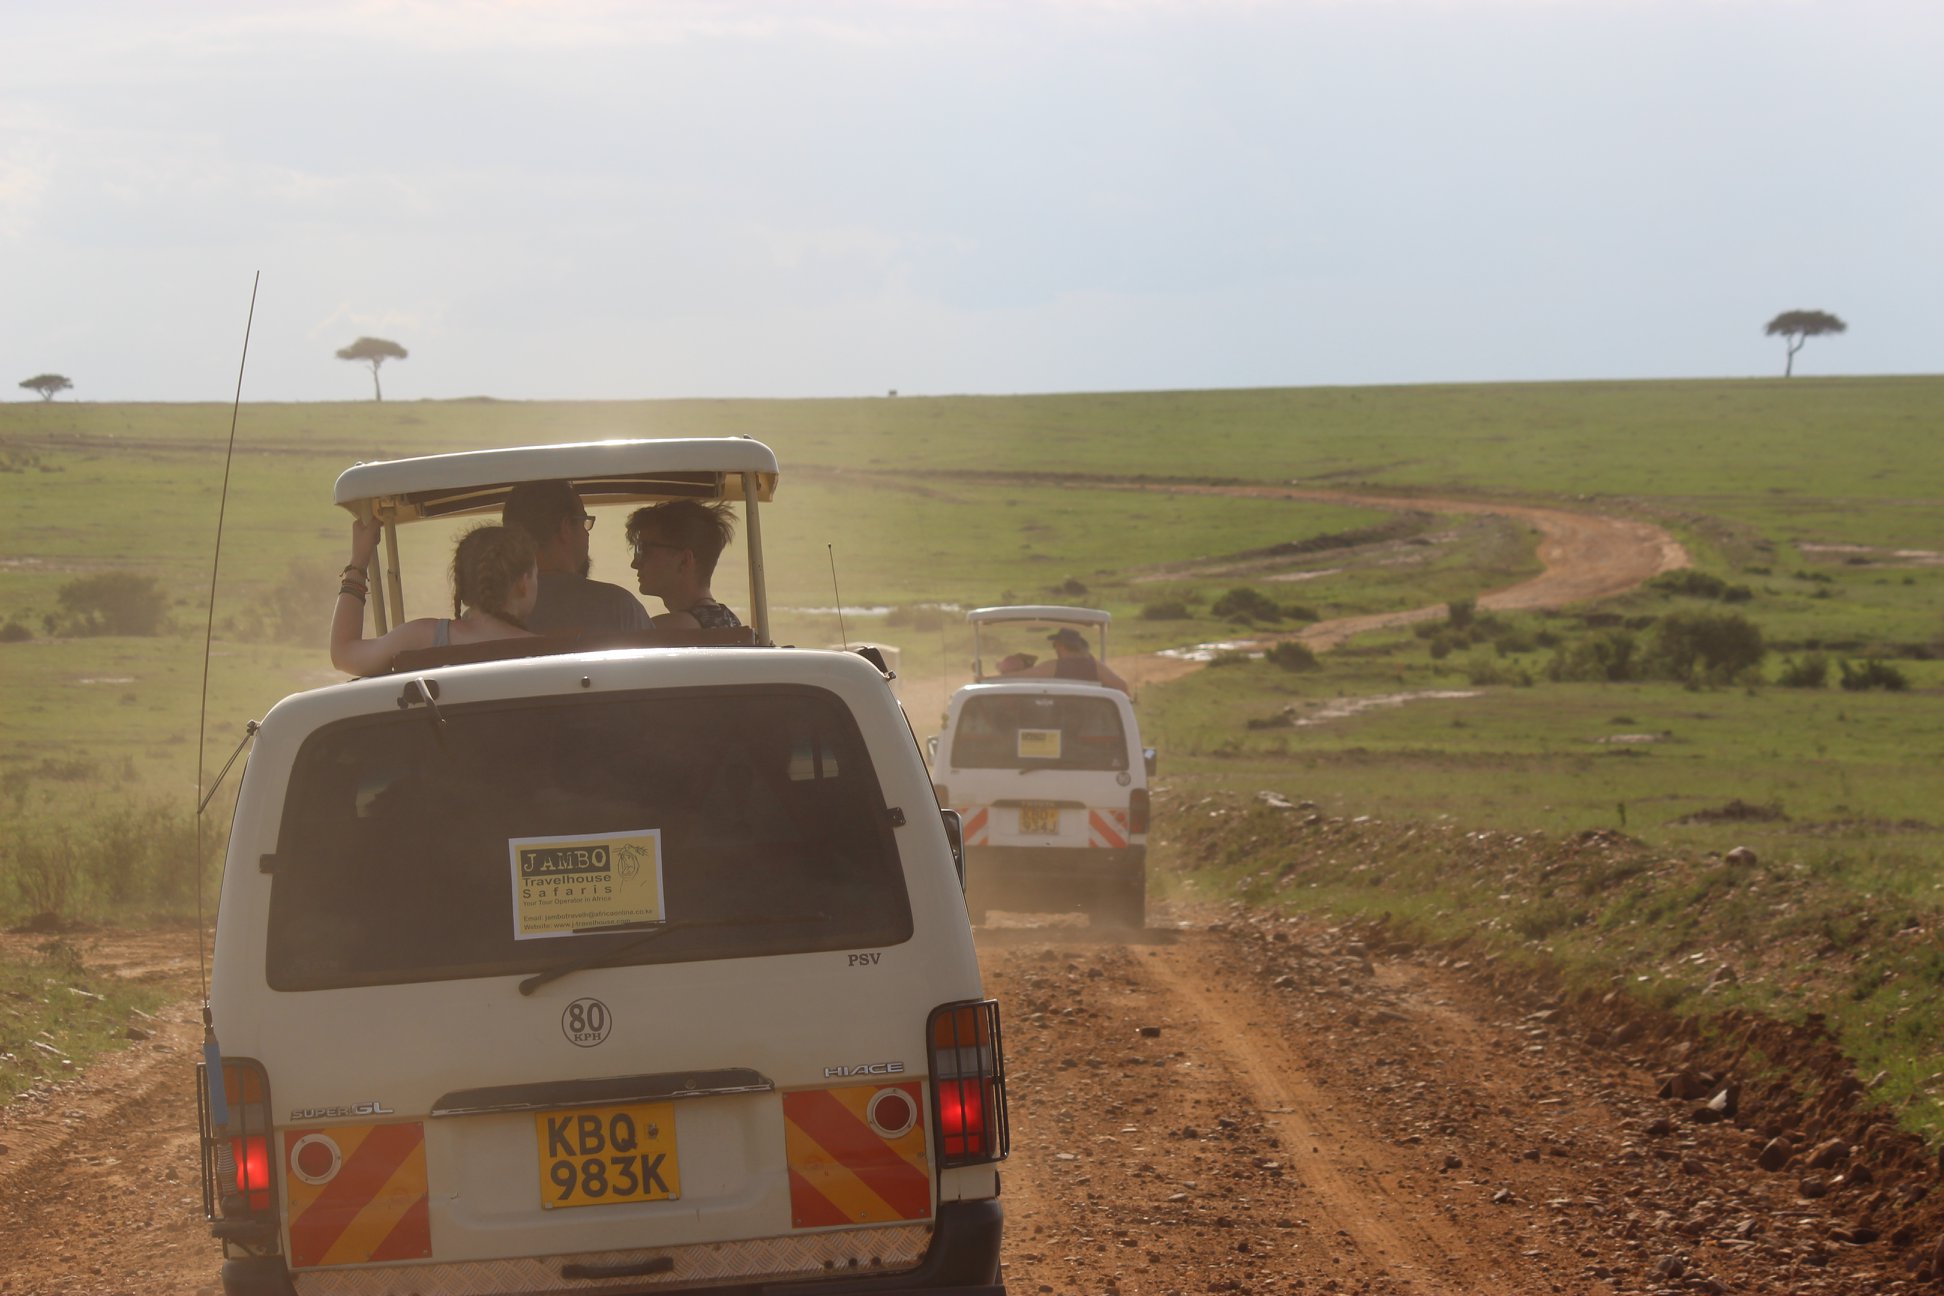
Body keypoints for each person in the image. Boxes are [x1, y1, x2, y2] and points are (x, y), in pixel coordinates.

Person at [331, 519, 537, 676]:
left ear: (463, 584)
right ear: (523, 583)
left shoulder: (422, 637)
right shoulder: (547, 652)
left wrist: (358, 562)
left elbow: (343, 653)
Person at [501, 480, 653, 634]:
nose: (587, 534)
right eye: (583, 522)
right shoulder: (619, 608)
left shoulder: (495, 610)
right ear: (566, 528)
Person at [625, 500, 742, 630]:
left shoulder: (664, 630)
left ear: (684, 560)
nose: (634, 564)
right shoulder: (730, 621)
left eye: (644, 551)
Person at [1009, 627, 1131, 694]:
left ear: (1061, 646)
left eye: (1055, 645)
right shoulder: (1096, 667)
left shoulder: (1054, 667)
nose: (1055, 649)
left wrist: (997, 678)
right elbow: (1122, 687)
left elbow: (1020, 677)